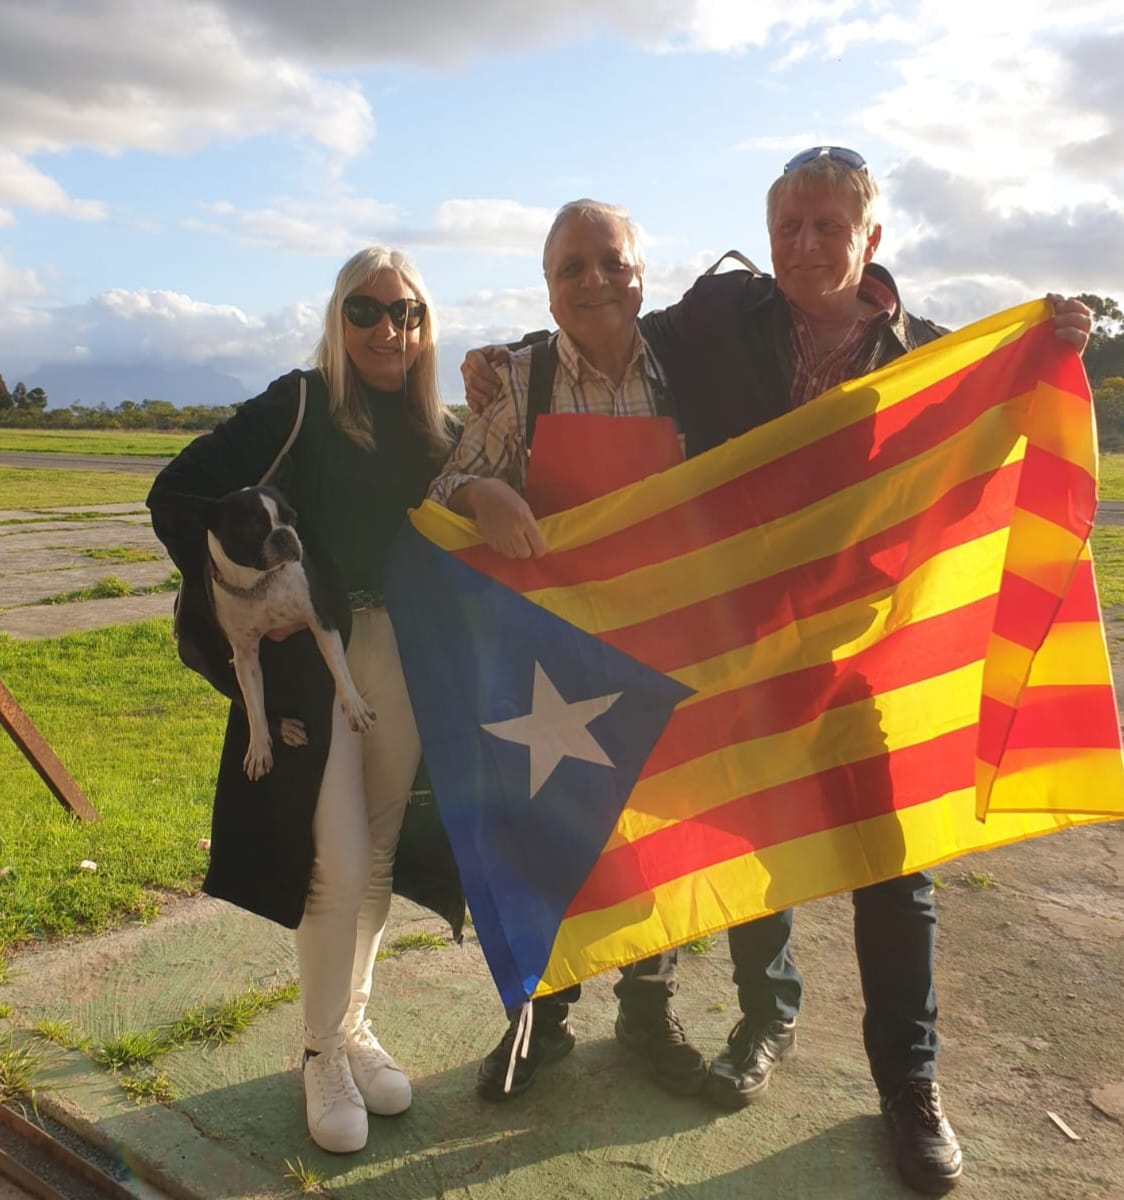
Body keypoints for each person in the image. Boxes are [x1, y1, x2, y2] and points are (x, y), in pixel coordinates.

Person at [461, 152, 1092, 1194]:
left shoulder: (923, 352)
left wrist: (1048, 340)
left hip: (861, 653)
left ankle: (909, 1087)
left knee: (894, 868)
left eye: (826, 226)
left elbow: (991, 395)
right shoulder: (719, 318)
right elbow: (606, 322)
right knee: (743, 835)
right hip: (740, 642)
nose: (803, 246)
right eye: (786, 226)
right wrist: (499, 360)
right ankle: (761, 1021)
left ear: (870, 239)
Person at [147, 247, 464, 1156]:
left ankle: (354, 1026)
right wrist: (243, 591)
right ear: (337, 318)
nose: (387, 329)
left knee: (378, 854)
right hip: (314, 662)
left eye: (405, 312)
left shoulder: (439, 428)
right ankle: (322, 1051)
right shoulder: (298, 403)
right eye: (365, 310)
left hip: (402, 656)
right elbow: (177, 494)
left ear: (425, 324)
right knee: (334, 861)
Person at [429, 199, 707, 1103]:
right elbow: (444, 487)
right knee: (549, 837)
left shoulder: (690, 372)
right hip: (551, 661)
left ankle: (648, 1009)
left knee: (655, 838)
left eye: (610, 261)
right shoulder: (520, 378)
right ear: (547, 288)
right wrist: (479, 494)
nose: (594, 281)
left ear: (642, 274)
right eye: (570, 268)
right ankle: (538, 1019)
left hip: (661, 645)